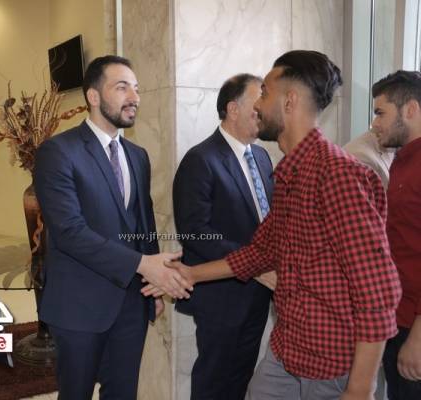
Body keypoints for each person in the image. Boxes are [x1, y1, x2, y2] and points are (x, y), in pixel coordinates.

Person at [147, 50, 403, 399]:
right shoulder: (288, 172)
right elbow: (261, 252)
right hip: (286, 353)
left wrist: (360, 387)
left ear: (289, 101)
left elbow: (377, 289)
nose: (257, 105)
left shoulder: (337, 175)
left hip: (330, 367)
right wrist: (189, 274)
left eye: (264, 93)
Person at [34, 55, 190, 400]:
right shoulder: (58, 152)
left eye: (136, 89)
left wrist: (152, 286)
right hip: (78, 305)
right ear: (93, 96)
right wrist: (142, 265)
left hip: (131, 304)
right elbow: (69, 232)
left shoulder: (137, 155)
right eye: (122, 88)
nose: (134, 97)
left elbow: (143, 225)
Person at [173, 73, 274, 399]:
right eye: (257, 103)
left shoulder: (262, 157)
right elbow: (195, 232)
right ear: (233, 109)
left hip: (258, 294)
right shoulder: (200, 160)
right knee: (214, 383)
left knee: (241, 379)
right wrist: (253, 263)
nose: (263, 109)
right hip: (221, 297)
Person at [371, 70, 421, 400]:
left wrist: (418, 337)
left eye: (381, 113)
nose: (375, 123)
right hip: (398, 318)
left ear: (411, 110)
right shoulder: (402, 161)